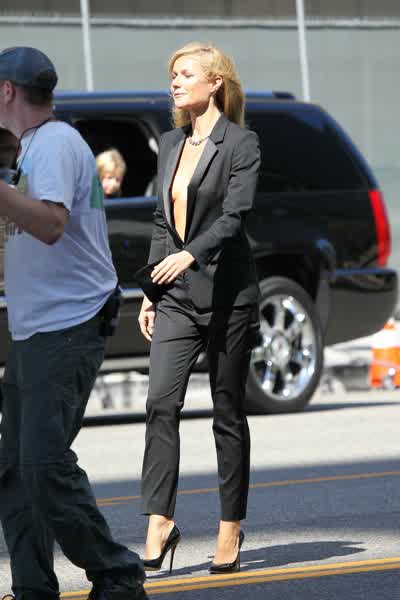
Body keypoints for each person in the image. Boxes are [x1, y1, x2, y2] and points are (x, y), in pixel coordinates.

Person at [0, 47, 146, 600]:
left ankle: (117, 574)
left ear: (7, 91)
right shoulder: (28, 150)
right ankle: (34, 588)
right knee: (14, 469)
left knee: (42, 463)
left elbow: (52, 224)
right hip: (34, 329)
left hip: (67, 326)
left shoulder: (56, 143)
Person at [138, 42, 261, 575]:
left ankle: (230, 527)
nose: (175, 82)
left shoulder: (241, 143)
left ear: (215, 83)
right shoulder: (170, 143)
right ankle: (159, 522)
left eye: (185, 74)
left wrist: (191, 254)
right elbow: (162, 222)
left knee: (226, 412)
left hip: (228, 295)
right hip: (177, 298)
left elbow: (235, 216)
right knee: (160, 404)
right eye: (172, 74)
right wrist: (151, 289)